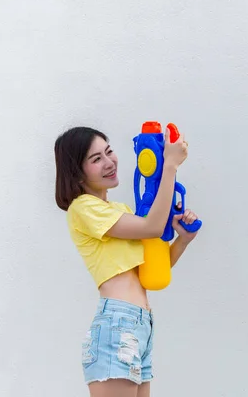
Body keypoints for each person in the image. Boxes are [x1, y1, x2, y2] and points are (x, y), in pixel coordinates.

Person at [54, 125, 199, 397]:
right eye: (96, 159)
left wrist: (183, 239)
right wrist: (168, 167)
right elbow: (153, 227)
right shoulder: (83, 209)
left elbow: (152, 270)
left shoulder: (119, 211)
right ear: (76, 171)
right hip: (117, 324)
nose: (109, 162)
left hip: (140, 324)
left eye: (109, 152)